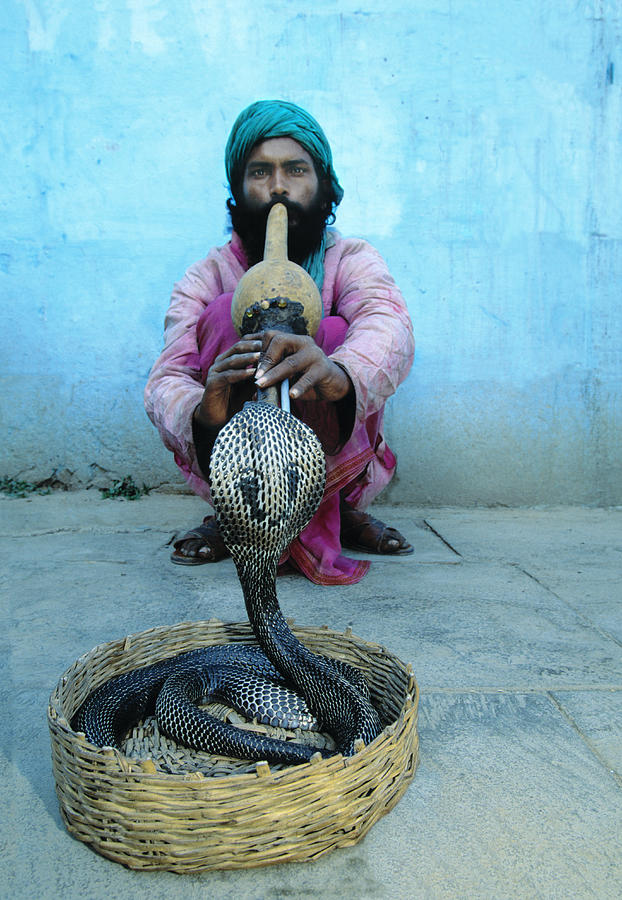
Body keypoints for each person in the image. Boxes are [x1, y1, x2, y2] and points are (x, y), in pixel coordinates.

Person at [144, 100, 415, 585]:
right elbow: (166, 376)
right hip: (238, 449)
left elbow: (388, 328)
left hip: (329, 443)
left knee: (329, 334)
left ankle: (330, 506)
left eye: (295, 170)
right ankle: (238, 513)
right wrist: (205, 410)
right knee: (223, 317)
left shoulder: (350, 258)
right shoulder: (208, 274)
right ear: (237, 187)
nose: (277, 189)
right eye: (259, 172)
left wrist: (337, 374)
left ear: (323, 183)